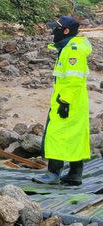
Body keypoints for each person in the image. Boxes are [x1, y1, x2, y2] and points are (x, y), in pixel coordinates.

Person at [35, 16, 91, 185]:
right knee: (75, 136)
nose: (53, 32)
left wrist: (64, 102)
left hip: (68, 102)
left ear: (66, 31)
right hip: (75, 102)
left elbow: (74, 80)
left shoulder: (72, 50)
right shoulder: (69, 48)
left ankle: (53, 173)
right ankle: (75, 174)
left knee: (56, 134)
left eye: (56, 29)